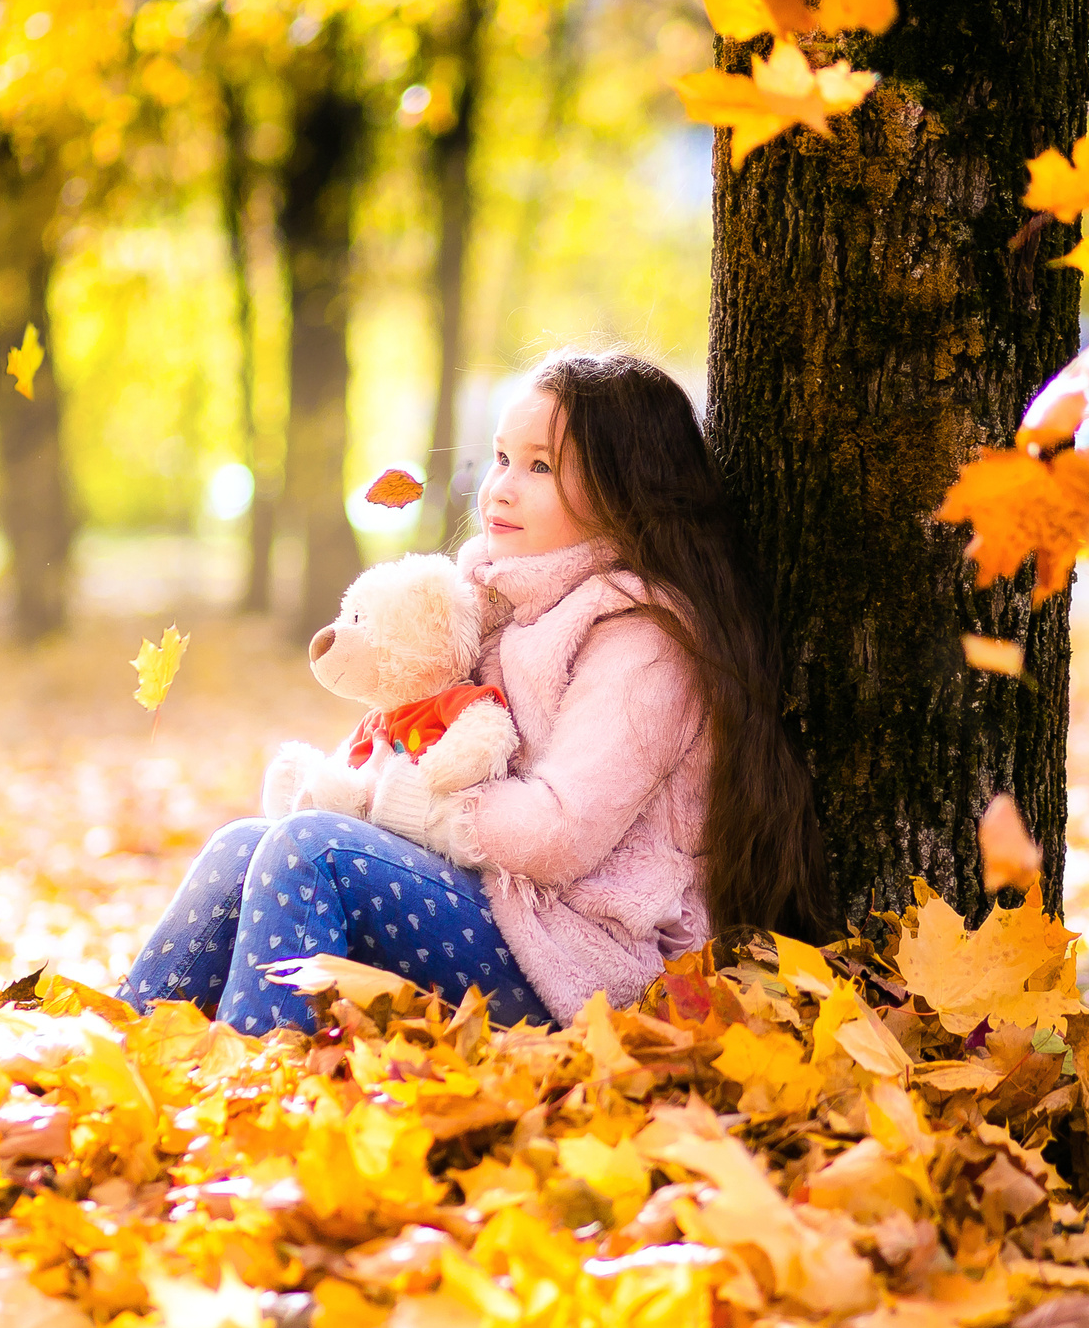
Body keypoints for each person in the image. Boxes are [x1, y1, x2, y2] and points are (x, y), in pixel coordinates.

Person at [117, 350, 828, 1032]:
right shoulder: (497, 599)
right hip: (504, 915)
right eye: (501, 458)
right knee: (246, 843)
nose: (502, 487)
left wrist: (400, 802)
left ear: (624, 495)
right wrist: (360, 777)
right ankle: (115, 1043)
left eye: (541, 466)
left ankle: (251, 1086)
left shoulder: (642, 642)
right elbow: (424, 724)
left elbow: (560, 829)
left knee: (311, 851)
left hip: (586, 965)